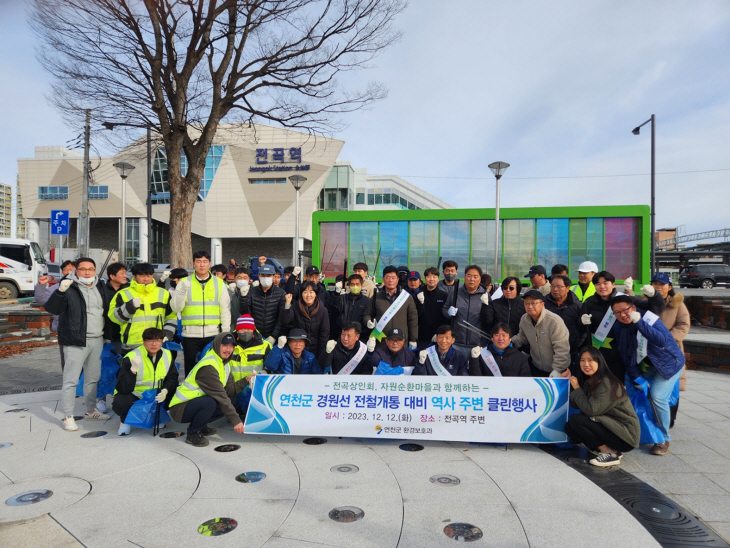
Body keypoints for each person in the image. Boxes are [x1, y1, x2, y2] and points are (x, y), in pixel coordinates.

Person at [610, 294, 685, 456]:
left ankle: (663, 439)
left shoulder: (649, 318)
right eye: (617, 313)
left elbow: (661, 340)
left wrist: (640, 323)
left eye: (625, 310)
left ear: (634, 308)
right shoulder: (618, 326)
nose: (623, 315)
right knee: (630, 393)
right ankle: (636, 432)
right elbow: (625, 353)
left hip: (668, 364)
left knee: (657, 396)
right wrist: (636, 376)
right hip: (644, 366)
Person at [44, 257, 111, 431]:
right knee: (71, 380)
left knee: (93, 378)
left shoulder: (100, 286)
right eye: (83, 269)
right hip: (75, 340)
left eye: (91, 269)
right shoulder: (68, 287)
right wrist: (60, 291)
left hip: (98, 339)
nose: (87, 272)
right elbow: (52, 309)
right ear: (76, 271)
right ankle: (68, 416)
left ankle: (90, 410)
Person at [168, 333, 255, 447]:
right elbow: (220, 396)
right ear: (217, 344)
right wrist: (236, 421)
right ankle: (193, 432)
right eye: (224, 345)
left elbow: (229, 390)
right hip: (180, 408)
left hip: (195, 402)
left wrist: (246, 380)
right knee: (211, 401)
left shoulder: (224, 363)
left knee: (233, 400)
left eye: (231, 346)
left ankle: (202, 425)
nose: (228, 349)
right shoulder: (208, 366)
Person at [580, 271, 665, 381]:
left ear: (613, 284)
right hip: (597, 354)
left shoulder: (624, 300)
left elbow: (655, 308)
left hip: (620, 353)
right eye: (598, 284)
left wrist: (654, 295)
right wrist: (581, 322)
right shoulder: (588, 303)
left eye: (605, 283)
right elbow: (581, 329)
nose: (602, 286)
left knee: (617, 386)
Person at [564, 347, 640, 467]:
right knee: (570, 427)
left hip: (625, 435)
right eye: (582, 360)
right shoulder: (591, 379)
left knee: (576, 420)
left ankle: (610, 454)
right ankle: (611, 450)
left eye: (590, 360)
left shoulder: (605, 382)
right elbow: (576, 403)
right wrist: (569, 384)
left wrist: (577, 388)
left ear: (599, 362)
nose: (586, 364)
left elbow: (591, 410)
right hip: (610, 427)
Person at [171, 250, 231, 375]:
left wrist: (225, 333)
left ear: (209, 264)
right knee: (190, 368)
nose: (202, 265)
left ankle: (210, 393)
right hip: (190, 335)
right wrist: (182, 291)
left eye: (205, 262)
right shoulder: (183, 283)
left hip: (213, 334)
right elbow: (176, 308)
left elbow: (225, 310)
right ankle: (190, 393)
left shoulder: (219, 283)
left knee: (212, 368)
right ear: (193, 264)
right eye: (198, 262)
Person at [113, 328, 179, 436]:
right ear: (143, 342)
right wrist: (132, 370)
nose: (154, 344)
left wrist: (165, 390)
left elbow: (172, 377)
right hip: (136, 394)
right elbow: (123, 387)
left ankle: (154, 417)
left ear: (162, 342)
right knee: (121, 401)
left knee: (177, 393)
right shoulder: (132, 357)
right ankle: (125, 421)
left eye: (158, 340)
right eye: (150, 340)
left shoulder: (167, 354)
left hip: (157, 393)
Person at [109, 262, 177, 353]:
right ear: (134, 277)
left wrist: (167, 333)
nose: (146, 279)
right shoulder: (123, 293)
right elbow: (114, 318)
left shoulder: (163, 293)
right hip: (131, 344)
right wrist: (129, 307)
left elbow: (171, 317)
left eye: (149, 275)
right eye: (142, 275)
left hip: (156, 343)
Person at [511, 290, 571, 377]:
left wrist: (557, 369)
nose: (530, 306)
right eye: (527, 303)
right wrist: (507, 342)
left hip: (557, 370)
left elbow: (562, 348)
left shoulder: (554, 321)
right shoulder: (524, 319)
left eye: (534, 303)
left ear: (542, 304)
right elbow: (522, 337)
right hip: (537, 367)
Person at [35, 259, 76, 371]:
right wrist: (41, 285)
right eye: (65, 270)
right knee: (66, 359)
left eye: (71, 269)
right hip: (64, 329)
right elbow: (42, 299)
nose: (68, 272)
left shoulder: (85, 287)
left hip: (85, 329)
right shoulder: (56, 288)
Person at [364, 265, 418, 349]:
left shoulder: (407, 297)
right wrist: (367, 321)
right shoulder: (376, 297)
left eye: (393, 277)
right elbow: (367, 314)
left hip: (401, 342)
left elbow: (413, 319)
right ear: (383, 279)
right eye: (387, 277)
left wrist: (413, 339)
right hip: (381, 341)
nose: (390, 280)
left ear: (397, 279)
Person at [443, 264, 490, 357]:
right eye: (469, 276)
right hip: (457, 342)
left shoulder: (485, 295)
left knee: (475, 370)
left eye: (475, 277)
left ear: (480, 279)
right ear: (464, 277)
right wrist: (448, 313)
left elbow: (489, 317)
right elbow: (444, 308)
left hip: (477, 344)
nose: (472, 279)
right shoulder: (455, 293)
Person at [238, 263, 287, 346]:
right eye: (263, 275)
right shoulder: (251, 291)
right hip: (254, 336)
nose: (265, 278)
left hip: (272, 335)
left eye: (268, 276)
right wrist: (243, 298)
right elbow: (245, 313)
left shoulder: (281, 293)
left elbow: (281, 318)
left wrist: (274, 336)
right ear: (258, 276)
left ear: (273, 276)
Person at [280, 280, 330, 357]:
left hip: (316, 350)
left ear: (316, 294)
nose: (308, 295)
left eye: (311, 292)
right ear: (301, 294)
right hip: (298, 349)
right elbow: (285, 321)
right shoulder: (295, 307)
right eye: (305, 292)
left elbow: (324, 334)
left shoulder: (323, 310)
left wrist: (321, 353)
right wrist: (287, 304)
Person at [544, 274, 583, 355]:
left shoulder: (577, 305)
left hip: (571, 350)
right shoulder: (543, 304)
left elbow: (583, 330)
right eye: (552, 286)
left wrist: (578, 345)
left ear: (567, 288)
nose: (555, 289)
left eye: (559, 286)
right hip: (548, 350)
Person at [328, 274, 371, 339]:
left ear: (361, 285)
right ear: (349, 286)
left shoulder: (367, 301)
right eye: (352, 284)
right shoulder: (343, 298)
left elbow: (368, 316)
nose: (355, 286)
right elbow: (334, 308)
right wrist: (337, 294)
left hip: (359, 337)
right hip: (342, 335)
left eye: (357, 284)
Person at [416, 267, 449, 348]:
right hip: (421, 338)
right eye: (428, 277)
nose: (431, 279)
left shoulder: (444, 295)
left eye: (434, 277)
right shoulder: (418, 295)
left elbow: (446, 318)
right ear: (425, 279)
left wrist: (440, 333)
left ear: (438, 279)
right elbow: (414, 315)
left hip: (438, 338)